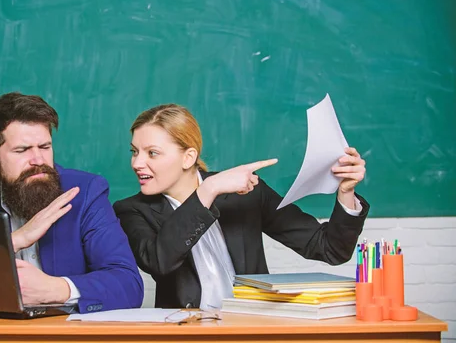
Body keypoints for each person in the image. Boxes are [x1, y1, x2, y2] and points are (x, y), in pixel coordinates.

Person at [113, 104, 368, 310]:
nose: (137, 163)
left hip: (253, 330)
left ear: (188, 157)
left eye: (152, 153)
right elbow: (159, 261)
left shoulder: (246, 195)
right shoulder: (131, 210)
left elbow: (330, 249)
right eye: (135, 152)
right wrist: (208, 190)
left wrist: (345, 192)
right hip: (187, 335)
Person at [0, 92, 143, 313]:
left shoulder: (86, 192)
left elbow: (128, 284)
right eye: (22, 150)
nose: (38, 160)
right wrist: (12, 241)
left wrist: (54, 289)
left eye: (44, 147)